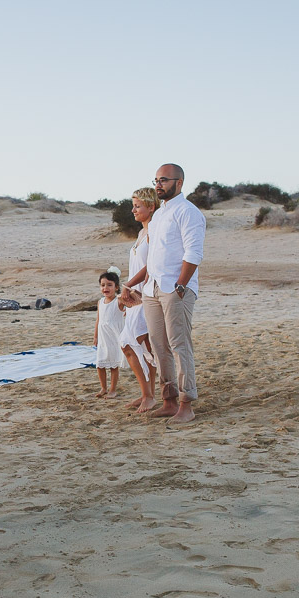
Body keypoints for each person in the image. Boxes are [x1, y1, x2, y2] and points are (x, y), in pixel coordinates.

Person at [122, 163, 206, 425]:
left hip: (176, 289)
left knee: (180, 345)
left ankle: (186, 404)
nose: (159, 184)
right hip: (152, 289)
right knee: (159, 348)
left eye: (164, 180)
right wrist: (135, 286)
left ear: (179, 183)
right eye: (156, 180)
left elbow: (193, 253)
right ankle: (168, 401)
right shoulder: (158, 216)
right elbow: (154, 258)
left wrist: (181, 285)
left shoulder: (189, 213)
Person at [119, 189, 159, 412]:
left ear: (151, 207)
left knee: (132, 344)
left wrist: (127, 285)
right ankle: (148, 394)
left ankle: (148, 395)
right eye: (133, 205)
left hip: (146, 295)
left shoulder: (154, 231)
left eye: (137, 206)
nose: (133, 210)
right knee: (140, 345)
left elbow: (150, 265)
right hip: (135, 296)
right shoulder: (141, 234)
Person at [93, 268, 124, 399]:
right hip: (103, 337)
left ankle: (112, 389)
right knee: (100, 364)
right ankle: (103, 388)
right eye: (103, 285)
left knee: (113, 365)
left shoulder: (119, 301)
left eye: (109, 285)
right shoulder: (100, 302)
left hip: (114, 338)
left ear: (116, 287)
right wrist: (95, 336)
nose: (106, 288)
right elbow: (98, 320)